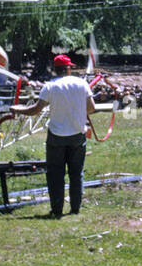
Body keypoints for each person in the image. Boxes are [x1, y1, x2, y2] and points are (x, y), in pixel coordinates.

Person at [10, 53, 96, 217]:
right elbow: (91, 108)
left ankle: (56, 210)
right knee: (76, 173)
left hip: (56, 135)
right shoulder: (82, 84)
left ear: (55, 70)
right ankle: (75, 209)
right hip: (78, 134)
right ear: (69, 69)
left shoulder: (49, 87)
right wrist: (76, 110)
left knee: (56, 174)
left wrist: (17, 109)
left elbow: (34, 110)